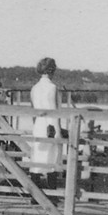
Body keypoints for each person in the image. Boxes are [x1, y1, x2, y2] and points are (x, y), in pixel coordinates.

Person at [29, 57, 61, 191]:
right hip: (51, 125)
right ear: (52, 71)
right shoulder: (53, 88)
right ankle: (52, 191)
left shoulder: (34, 88)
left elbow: (33, 110)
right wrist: (58, 130)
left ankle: (35, 194)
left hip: (38, 125)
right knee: (51, 158)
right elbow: (55, 110)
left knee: (37, 157)